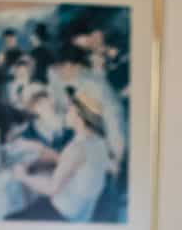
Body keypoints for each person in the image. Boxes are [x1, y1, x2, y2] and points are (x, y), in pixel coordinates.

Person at [10, 89, 111, 223]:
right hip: (82, 212)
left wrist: (23, 176)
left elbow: (51, 188)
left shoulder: (76, 148)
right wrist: (44, 151)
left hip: (63, 214)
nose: (66, 113)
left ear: (78, 116)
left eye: (69, 110)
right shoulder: (98, 142)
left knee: (9, 218)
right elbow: (73, 165)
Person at [45, 47, 126, 178]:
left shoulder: (96, 86)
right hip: (77, 146)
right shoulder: (59, 83)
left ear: (76, 66)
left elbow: (114, 121)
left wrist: (115, 156)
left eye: (62, 67)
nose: (59, 72)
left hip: (104, 147)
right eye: (56, 68)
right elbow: (62, 113)